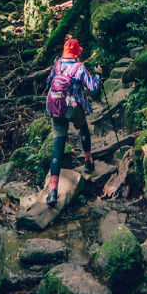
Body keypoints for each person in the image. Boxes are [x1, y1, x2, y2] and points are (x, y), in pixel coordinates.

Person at [44, 36, 103, 206]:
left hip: (56, 108)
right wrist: (98, 75)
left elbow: (49, 82)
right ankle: (87, 162)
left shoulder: (57, 65)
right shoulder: (80, 68)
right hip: (74, 108)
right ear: (77, 53)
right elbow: (93, 89)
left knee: (57, 149)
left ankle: (52, 192)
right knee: (83, 128)